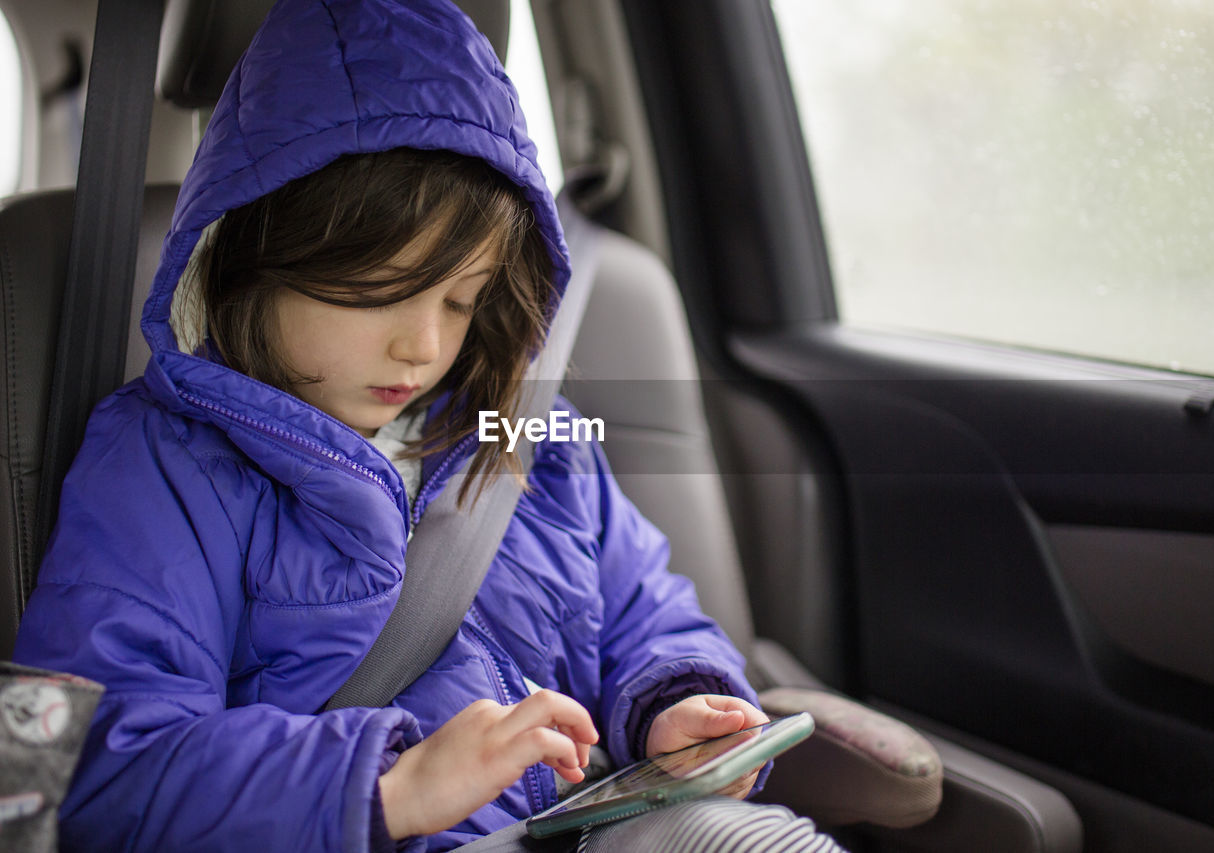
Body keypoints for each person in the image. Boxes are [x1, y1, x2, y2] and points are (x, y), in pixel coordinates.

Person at [13, 1, 846, 850]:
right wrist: (387, 785)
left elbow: (641, 605)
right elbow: (103, 763)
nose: (426, 344)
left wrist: (670, 701)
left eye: (461, 298)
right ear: (255, 259)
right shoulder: (166, 462)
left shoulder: (526, 436)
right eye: (378, 291)